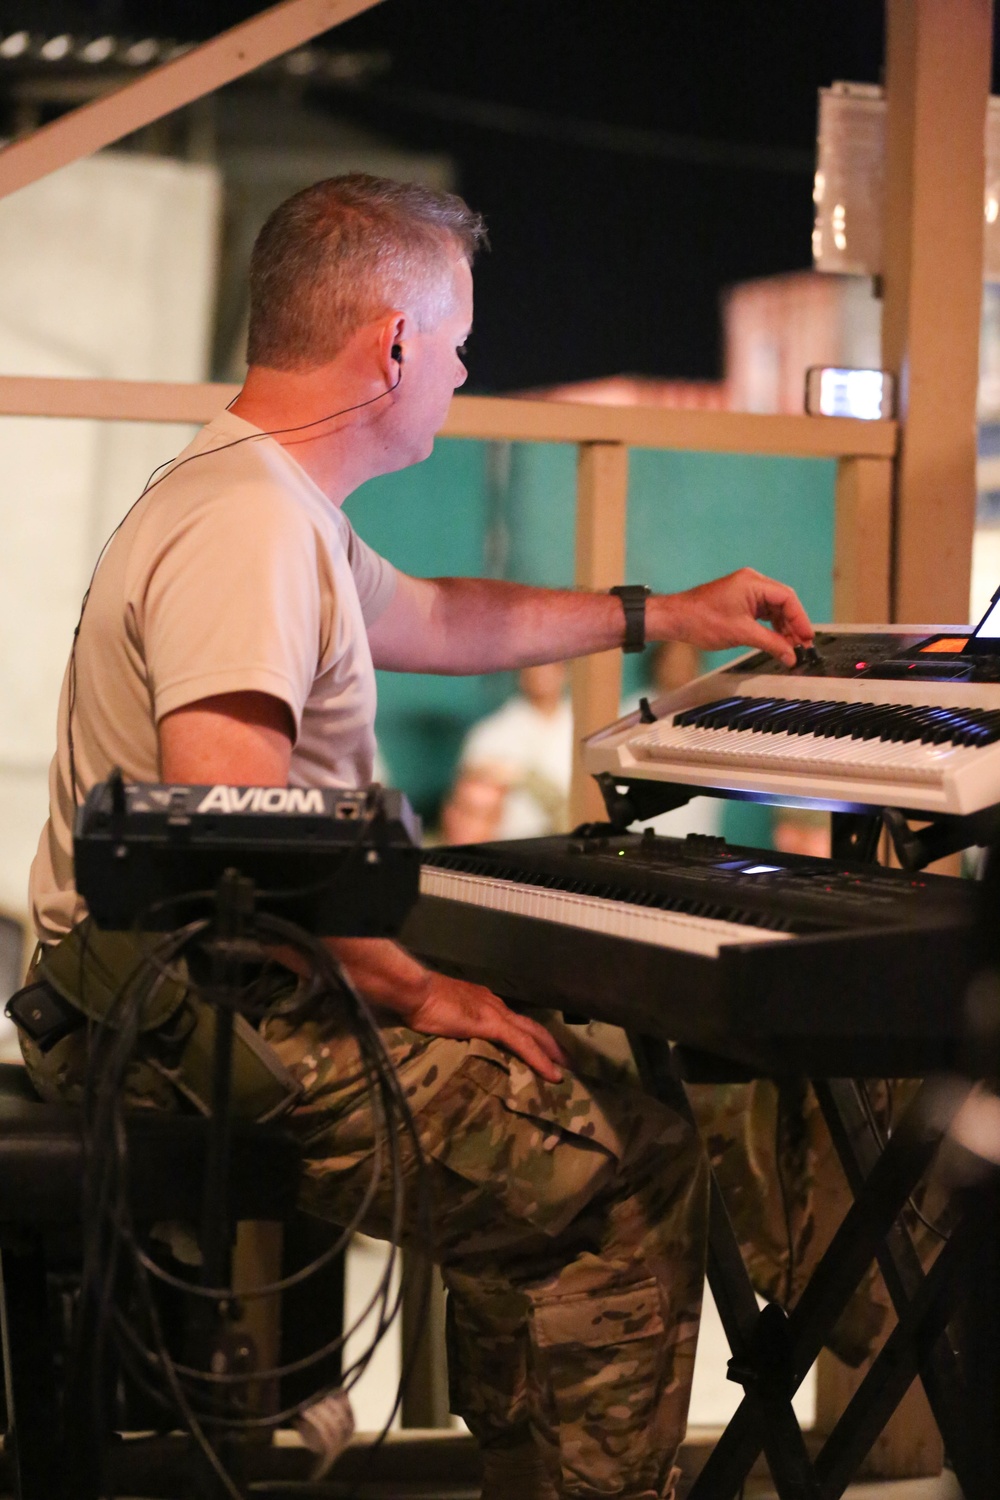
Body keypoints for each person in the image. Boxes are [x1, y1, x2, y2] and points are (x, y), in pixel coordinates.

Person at [21, 175, 815, 1500]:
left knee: (585, 1080)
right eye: (454, 341)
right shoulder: (250, 529)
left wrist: (665, 610)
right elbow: (236, 839)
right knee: (633, 1167)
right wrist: (417, 986)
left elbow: (448, 617)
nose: (461, 368)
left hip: (171, 1005)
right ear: (391, 342)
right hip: (176, 1032)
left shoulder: (267, 501)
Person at [456, 660, 573, 840]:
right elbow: (470, 811)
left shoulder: (588, 728)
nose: (541, 673)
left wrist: (524, 777)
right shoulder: (490, 734)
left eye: (551, 664)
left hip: (572, 843)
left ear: (565, 672)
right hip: (508, 847)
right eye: (534, 665)